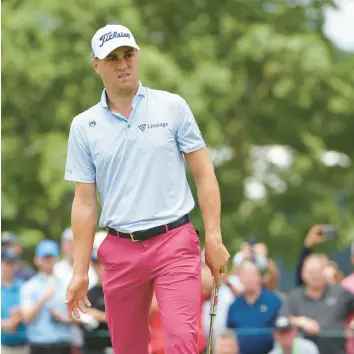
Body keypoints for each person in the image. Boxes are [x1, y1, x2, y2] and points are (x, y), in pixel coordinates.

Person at [64, 23, 230, 354]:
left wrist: (213, 237)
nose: (123, 64)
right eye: (112, 58)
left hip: (175, 241)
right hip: (119, 248)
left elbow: (204, 172)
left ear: (137, 56)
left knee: (182, 343)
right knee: (128, 348)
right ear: (96, 64)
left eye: (128, 55)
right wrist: (80, 271)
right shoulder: (84, 126)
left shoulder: (172, 107)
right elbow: (84, 203)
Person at [280, 254, 354, 354]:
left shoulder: (340, 292)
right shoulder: (294, 297)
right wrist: (300, 321)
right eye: (311, 272)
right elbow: (282, 319)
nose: (315, 275)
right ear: (303, 274)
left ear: (324, 272)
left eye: (318, 272)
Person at [20, 240, 73, 354]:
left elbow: (79, 316)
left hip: (63, 345)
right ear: (37, 259)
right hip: (39, 346)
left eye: (51, 257)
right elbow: (26, 318)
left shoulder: (67, 284)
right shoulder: (29, 286)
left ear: (57, 259)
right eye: (45, 257)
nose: (48, 261)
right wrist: (43, 299)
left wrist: (65, 318)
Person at [54, 227, 98, 354]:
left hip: (89, 333)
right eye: (69, 243)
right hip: (61, 334)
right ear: (63, 246)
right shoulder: (56, 269)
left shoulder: (91, 269)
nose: (72, 246)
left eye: (75, 242)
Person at [227, 260, 282, 354]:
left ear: (259, 277)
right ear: (239, 278)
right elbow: (229, 335)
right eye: (245, 274)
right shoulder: (234, 306)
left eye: (252, 274)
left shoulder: (274, 301)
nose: (249, 278)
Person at [1, 247, 27, 354]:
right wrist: (3, 324)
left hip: (23, 345)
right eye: (8, 263)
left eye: (13, 263)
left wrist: (22, 311)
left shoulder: (24, 286)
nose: (11, 267)